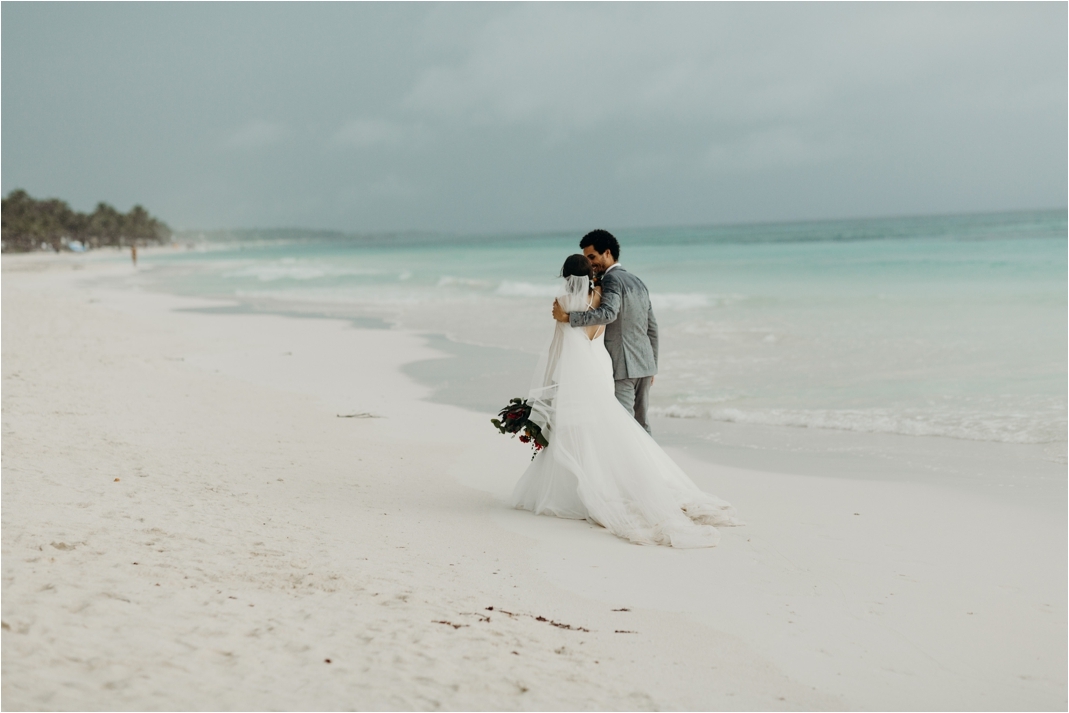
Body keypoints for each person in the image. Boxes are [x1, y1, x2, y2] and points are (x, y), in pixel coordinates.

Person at [511, 252, 738, 548]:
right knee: (603, 425)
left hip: (575, 368)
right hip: (600, 365)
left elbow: (556, 347)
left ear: (565, 277)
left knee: (575, 428)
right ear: (590, 274)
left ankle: (582, 490)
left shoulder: (563, 303)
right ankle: (619, 481)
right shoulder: (604, 295)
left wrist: (545, 387)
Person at [552, 230, 657, 433]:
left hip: (624, 365)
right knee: (642, 426)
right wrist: (654, 364)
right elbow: (652, 327)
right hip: (645, 365)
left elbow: (608, 313)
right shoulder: (638, 281)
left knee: (623, 425)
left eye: (592, 257)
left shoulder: (612, 280)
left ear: (607, 253)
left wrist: (569, 318)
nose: (590, 264)